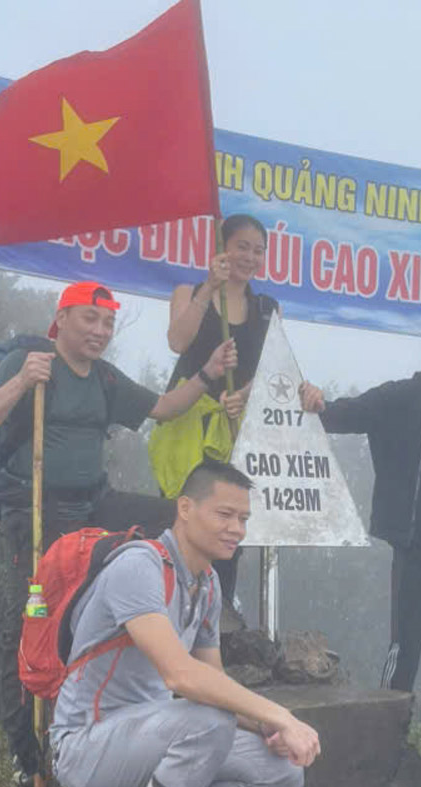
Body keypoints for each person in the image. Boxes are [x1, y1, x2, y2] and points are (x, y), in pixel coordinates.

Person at [0, 280, 238, 786]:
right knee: (34, 619)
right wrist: (22, 382)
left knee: (179, 520)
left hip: (94, 503)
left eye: (108, 322)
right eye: (89, 318)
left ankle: (173, 629)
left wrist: (207, 375)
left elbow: (162, 407)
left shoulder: (106, 380)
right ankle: (27, 752)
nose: (100, 330)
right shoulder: (30, 362)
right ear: (61, 319)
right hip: (36, 508)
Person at [50, 460, 320, 787]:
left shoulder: (206, 583)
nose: (236, 529)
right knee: (209, 720)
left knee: (281, 773)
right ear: (185, 509)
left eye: (243, 519)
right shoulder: (138, 566)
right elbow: (181, 676)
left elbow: (213, 680)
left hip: (153, 737)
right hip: (87, 746)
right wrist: (280, 715)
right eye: (225, 514)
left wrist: (265, 728)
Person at [298, 320, 421, 692]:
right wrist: (313, 400)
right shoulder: (403, 397)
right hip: (416, 544)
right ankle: (392, 723)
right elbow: (347, 414)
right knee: (406, 641)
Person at [154, 213, 278, 606]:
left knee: (229, 522)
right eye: (242, 246)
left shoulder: (266, 307)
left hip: (235, 427)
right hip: (187, 423)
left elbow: (274, 368)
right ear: (221, 248)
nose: (250, 257)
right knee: (184, 519)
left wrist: (244, 394)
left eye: (258, 251)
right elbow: (177, 341)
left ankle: (219, 612)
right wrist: (209, 288)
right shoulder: (188, 291)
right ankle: (172, 604)